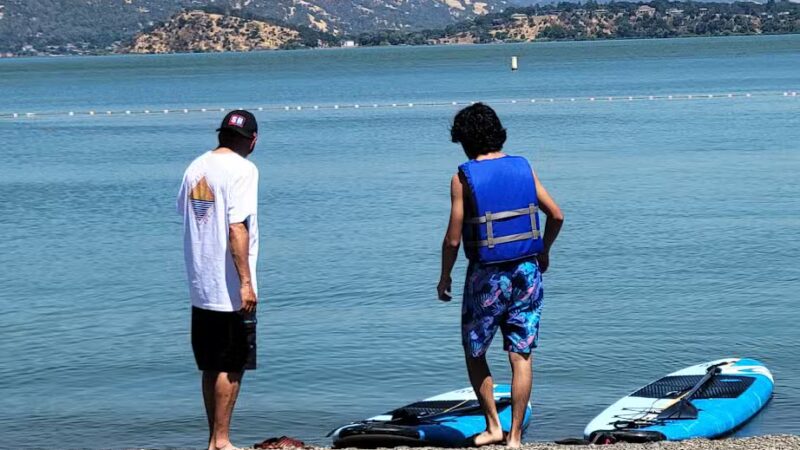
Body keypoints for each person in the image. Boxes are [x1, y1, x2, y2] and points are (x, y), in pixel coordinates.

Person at [437, 103, 564, 448]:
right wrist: (544, 251)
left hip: (487, 276)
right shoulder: (523, 168)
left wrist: (444, 276)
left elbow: (452, 238)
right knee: (520, 354)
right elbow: (556, 215)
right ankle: (516, 438)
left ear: (464, 140)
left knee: (475, 350)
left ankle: (493, 426)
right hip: (527, 270)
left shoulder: (463, 177)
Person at [177, 110, 261, 450]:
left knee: (211, 365)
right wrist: (245, 282)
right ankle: (222, 441)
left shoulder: (195, 166)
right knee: (233, 364)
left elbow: (190, 216)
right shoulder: (244, 170)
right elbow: (235, 227)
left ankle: (213, 439)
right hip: (229, 287)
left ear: (221, 135)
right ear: (252, 140)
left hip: (200, 284)